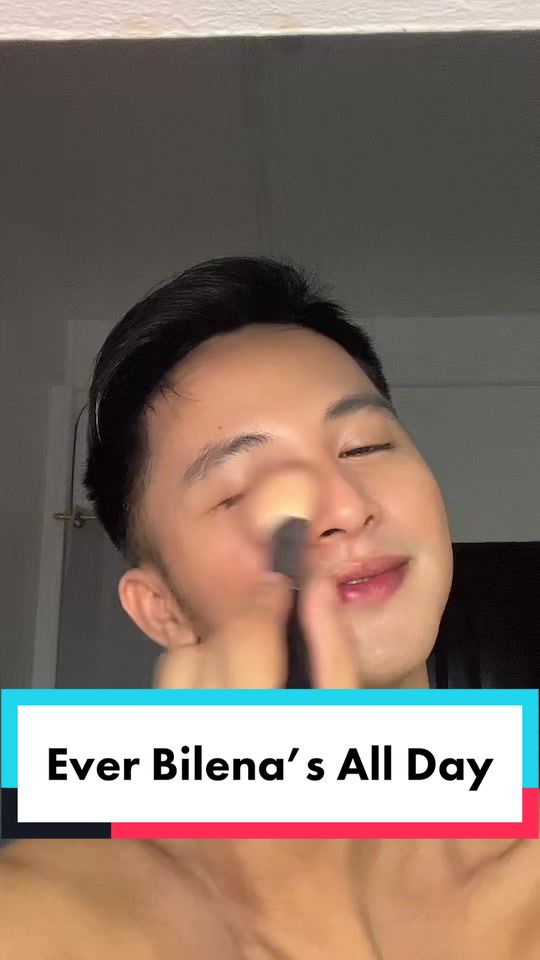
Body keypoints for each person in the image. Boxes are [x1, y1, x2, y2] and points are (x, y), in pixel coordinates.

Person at [1, 257, 538, 959]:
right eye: (241, 492)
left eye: (365, 446)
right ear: (162, 610)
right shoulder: (44, 910)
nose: (342, 508)